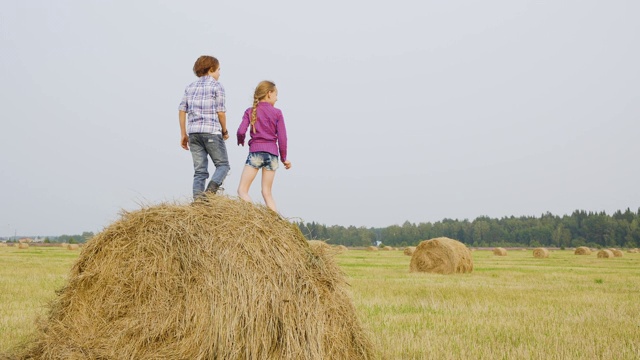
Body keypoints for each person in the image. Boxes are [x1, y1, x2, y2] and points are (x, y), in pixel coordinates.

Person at [178, 55, 230, 200]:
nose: (220, 73)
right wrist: (224, 131)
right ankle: (209, 195)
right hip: (211, 131)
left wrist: (183, 133)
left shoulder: (190, 87)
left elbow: (182, 110)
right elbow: (221, 112)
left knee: (200, 171)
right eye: (219, 69)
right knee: (223, 165)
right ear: (211, 69)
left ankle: (198, 203)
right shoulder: (217, 86)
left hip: (193, 133)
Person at [236, 80, 291, 212]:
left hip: (256, 152)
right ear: (269, 93)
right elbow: (283, 138)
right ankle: (274, 225)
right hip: (272, 155)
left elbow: (240, 131)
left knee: (242, 190)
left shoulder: (250, 111)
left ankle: (255, 217)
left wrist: (241, 140)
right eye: (276, 95)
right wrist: (284, 158)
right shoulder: (277, 113)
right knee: (267, 193)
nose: (277, 99)